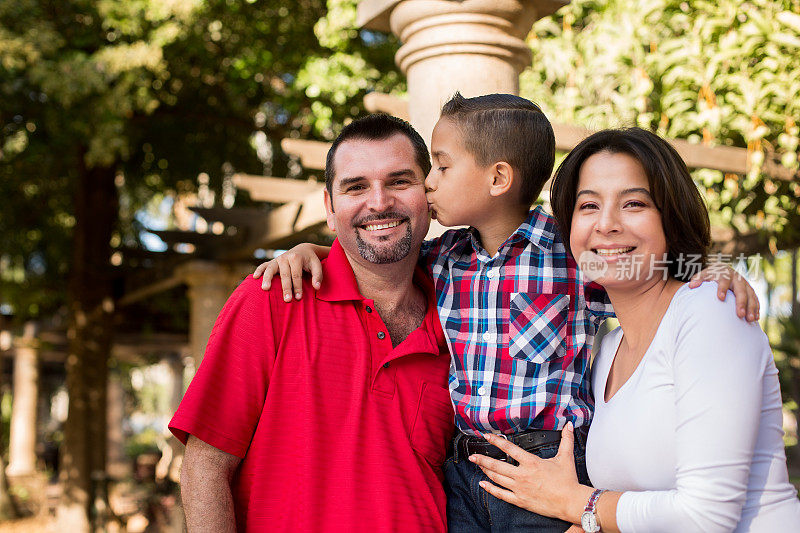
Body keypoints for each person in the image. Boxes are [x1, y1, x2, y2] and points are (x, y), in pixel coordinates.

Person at [254, 94, 760, 532]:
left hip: (547, 462)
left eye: (443, 167)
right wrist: (310, 250)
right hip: (465, 464)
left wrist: (711, 270)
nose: (429, 182)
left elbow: (647, 279)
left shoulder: (569, 252)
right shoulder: (445, 257)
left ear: (498, 178)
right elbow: (377, 254)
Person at [469, 128, 800, 532]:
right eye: (588, 205)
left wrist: (573, 502)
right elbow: (620, 513)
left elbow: (707, 517)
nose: (606, 224)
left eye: (634, 203)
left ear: (671, 217)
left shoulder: (710, 313)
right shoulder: (607, 348)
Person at [169, 114, 455, 532]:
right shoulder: (272, 299)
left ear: (427, 194)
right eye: (355, 186)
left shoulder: (463, 320)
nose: (378, 202)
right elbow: (205, 467)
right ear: (329, 207)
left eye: (399, 181)